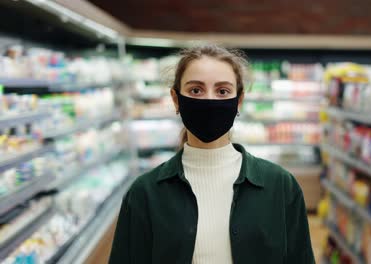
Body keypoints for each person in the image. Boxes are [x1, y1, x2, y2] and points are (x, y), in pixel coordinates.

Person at [109, 44, 315, 264]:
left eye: (222, 91)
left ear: (239, 101)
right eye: (196, 90)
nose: (209, 101)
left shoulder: (281, 186)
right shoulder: (144, 193)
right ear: (176, 99)